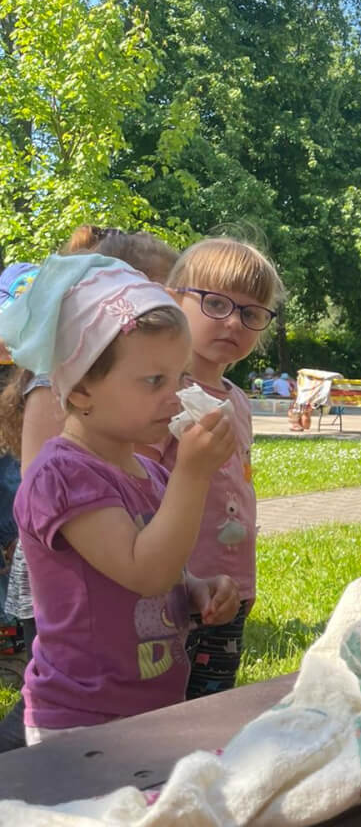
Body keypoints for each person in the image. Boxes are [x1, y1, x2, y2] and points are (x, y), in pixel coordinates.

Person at [0, 254, 239, 744]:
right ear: (81, 389)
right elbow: (143, 570)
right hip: (81, 720)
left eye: (180, 378)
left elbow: (162, 576)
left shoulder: (150, 473)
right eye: (154, 381)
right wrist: (193, 473)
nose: (176, 396)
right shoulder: (62, 475)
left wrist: (196, 589)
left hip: (149, 709)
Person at [163, 237, 284, 699]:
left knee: (210, 706)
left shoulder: (237, 399)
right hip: (173, 587)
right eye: (215, 303)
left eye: (251, 313)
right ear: (175, 301)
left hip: (233, 590)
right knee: (160, 713)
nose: (234, 321)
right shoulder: (163, 394)